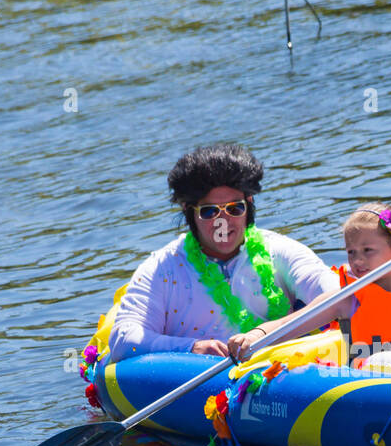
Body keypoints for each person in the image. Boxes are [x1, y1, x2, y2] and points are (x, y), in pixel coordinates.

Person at [107, 144, 338, 362]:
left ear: (249, 203)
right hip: (194, 381)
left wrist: (262, 334)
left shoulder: (280, 251)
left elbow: (339, 297)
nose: (223, 223)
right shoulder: (162, 268)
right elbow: (123, 339)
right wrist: (191, 348)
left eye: (234, 208)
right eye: (209, 212)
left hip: (279, 378)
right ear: (189, 212)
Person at [228, 193, 391, 367]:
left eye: (368, 251)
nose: (357, 261)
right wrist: (256, 335)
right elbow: (295, 322)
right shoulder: (348, 297)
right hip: (375, 386)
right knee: (382, 360)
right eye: (351, 252)